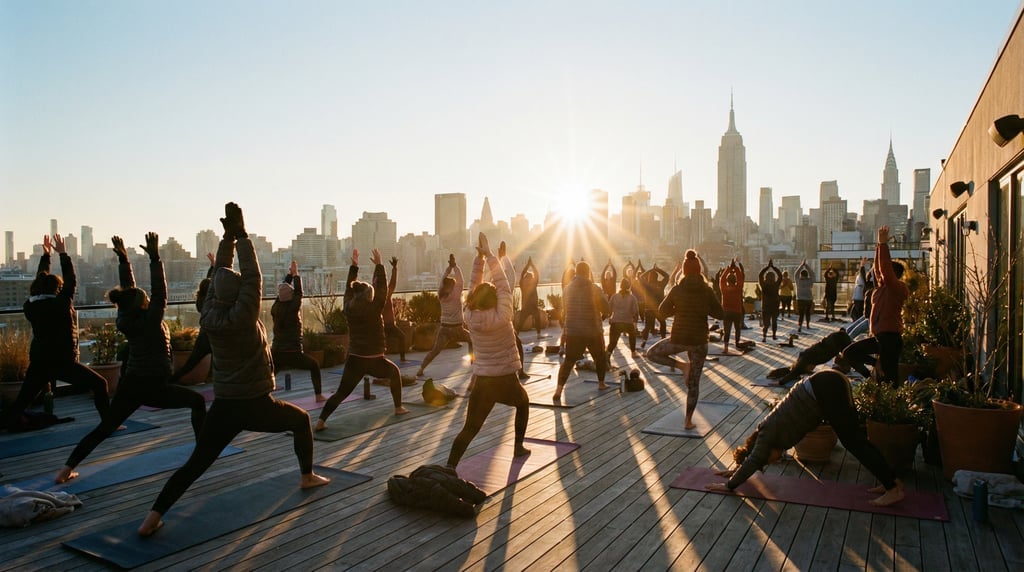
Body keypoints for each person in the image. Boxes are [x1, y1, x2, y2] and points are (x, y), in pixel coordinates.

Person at [138, 203, 329, 537]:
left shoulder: (209, 313)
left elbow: (218, 278)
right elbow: (252, 275)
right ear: (238, 293)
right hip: (255, 402)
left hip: (225, 404)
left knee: (195, 464)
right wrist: (240, 235)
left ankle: (152, 517)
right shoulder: (244, 313)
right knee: (300, 421)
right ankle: (306, 476)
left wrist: (227, 240)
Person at [56, 233, 207, 484]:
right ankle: (203, 452)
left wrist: (125, 261)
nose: (148, 297)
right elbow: (161, 292)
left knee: (104, 429)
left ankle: (66, 469)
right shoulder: (150, 319)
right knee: (198, 402)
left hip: (132, 383)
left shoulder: (126, 317)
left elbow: (129, 291)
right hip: (155, 385)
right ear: (142, 304)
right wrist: (156, 258)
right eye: (145, 298)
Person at [705, 370, 904, 507]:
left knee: (853, 442)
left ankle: (892, 488)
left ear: (761, 448)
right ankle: (892, 481)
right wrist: (736, 470)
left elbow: (755, 458)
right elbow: (753, 459)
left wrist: (729, 485)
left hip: (824, 387)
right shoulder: (771, 436)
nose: (773, 462)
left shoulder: (766, 432)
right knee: (857, 440)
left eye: (767, 461)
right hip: (827, 383)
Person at [1, 233, 111, 431]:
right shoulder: (61, 303)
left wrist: (45, 257)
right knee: (100, 384)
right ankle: (109, 424)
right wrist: (62, 253)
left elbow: (42, 279)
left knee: (21, 401)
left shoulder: (30, 305)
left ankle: (6, 423)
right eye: (60, 287)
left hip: (39, 362)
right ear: (57, 289)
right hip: (62, 362)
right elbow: (71, 280)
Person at [446, 233, 531, 467]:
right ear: (494, 298)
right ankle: (518, 447)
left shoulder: (469, 316)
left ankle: (450, 466)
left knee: (470, 428)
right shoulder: (503, 316)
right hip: (504, 379)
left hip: (483, 380)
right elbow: (503, 284)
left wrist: (479, 260)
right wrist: (490, 255)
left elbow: (474, 287)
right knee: (523, 403)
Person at [317, 248, 410, 430]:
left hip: (355, 359)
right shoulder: (373, 308)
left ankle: (320, 421)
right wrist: (379, 265)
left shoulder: (348, 307)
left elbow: (348, 289)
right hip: (375, 360)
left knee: (341, 393)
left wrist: (354, 266)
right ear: (369, 296)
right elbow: (383, 289)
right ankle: (398, 407)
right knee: (394, 373)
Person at [645, 249, 723, 430]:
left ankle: (682, 366)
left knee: (651, 354)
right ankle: (688, 420)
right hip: (699, 341)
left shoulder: (677, 289)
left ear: (684, 272)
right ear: (700, 272)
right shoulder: (706, 290)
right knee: (693, 384)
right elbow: (719, 313)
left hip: (679, 337)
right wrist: (704, 308)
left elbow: (662, 313)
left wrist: (678, 309)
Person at [839, 226, 909, 385]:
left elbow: (884, 269)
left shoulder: (896, 288)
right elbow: (879, 270)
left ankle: (893, 405)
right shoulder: (883, 287)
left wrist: (883, 245)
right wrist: (879, 245)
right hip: (880, 338)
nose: (879, 276)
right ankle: (872, 376)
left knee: (889, 381)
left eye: (888, 273)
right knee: (849, 352)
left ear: (893, 274)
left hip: (891, 339)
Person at [553, 260, 610, 400]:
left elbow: (564, 312)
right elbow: (606, 309)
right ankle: (601, 383)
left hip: (573, 331)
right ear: (588, 272)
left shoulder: (567, 289)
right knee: (599, 358)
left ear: (576, 272)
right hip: (592, 331)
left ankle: (559, 390)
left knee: (568, 361)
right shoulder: (595, 289)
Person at [271, 260, 325, 402]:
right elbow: (299, 293)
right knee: (314, 366)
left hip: (276, 352)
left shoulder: (275, 308)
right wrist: (296, 275)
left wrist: (290, 275)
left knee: (268, 375)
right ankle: (318, 395)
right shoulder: (292, 309)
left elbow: (282, 293)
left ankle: (261, 397)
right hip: (292, 353)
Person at [416, 254, 473, 378]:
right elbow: (461, 280)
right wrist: (455, 266)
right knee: (473, 340)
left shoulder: (441, 295)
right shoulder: (456, 294)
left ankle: (421, 368)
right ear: (452, 286)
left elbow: (442, 279)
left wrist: (448, 269)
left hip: (444, 329)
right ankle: (473, 362)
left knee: (435, 351)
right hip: (457, 329)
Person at [168, 253, 215, 385]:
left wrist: (212, 266)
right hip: (213, 335)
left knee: (191, 363)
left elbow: (209, 281)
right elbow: (210, 282)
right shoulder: (211, 301)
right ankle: (211, 380)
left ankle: (173, 379)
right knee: (217, 362)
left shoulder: (200, 300)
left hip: (203, 335)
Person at [383, 256, 409, 364]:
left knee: (402, 337)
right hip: (383, 326)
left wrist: (394, 269)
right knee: (380, 344)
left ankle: (402, 358)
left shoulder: (387, 295)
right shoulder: (376, 298)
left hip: (391, 325)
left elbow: (393, 283)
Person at [606, 278, 640, 361]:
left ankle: (608, 354)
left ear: (620, 286)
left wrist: (610, 317)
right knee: (632, 335)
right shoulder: (632, 298)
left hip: (615, 321)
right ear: (629, 287)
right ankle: (633, 352)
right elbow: (635, 312)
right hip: (627, 322)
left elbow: (609, 308)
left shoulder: (614, 296)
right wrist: (635, 323)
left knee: (613, 342)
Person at [638, 264, 669, 347]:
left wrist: (650, 270)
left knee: (647, 326)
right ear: (657, 277)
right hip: (659, 309)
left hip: (649, 309)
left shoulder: (646, 285)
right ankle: (663, 338)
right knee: (663, 323)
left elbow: (640, 277)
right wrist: (657, 269)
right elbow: (667, 276)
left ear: (649, 277)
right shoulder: (661, 284)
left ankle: (644, 340)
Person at [718, 260, 744, 354]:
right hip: (737, 312)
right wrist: (736, 268)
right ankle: (737, 343)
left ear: (728, 281)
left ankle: (726, 347)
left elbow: (722, 279)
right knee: (738, 329)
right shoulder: (738, 288)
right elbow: (740, 278)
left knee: (727, 330)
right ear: (735, 280)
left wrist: (728, 268)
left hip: (726, 312)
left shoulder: (724, 289)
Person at [515, 257, 543, 339]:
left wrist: (528, 265)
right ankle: (538, 335)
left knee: (521, 322)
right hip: (531, 306)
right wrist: (531, 265)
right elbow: (536, 273)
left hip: (527, 306)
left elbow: (523, 274)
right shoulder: (532, 284)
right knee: (536, 320)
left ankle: (516, 335)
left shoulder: (523, 284)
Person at [758, 260, 781, 342]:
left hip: (766, 306)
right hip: (775, 306)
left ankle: (764, 336)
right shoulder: (776, 285)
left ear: (766, 278)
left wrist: (767, 267)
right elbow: (780, 276)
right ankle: (774, 335)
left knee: (766, 323)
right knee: (774, 321)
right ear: (774, 278)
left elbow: (760, 275)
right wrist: (773, 267)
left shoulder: (764, 285)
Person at [795, 260, 815, 332]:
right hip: (808, 299)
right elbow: (812, 274)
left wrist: (801, 266)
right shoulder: (810, 280)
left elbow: (796, 274)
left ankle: (800, 326)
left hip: (800, 299)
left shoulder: (798, 281)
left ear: (801, 275)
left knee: (801, 314)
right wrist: (806, 266)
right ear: (807, 275)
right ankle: (807, 324)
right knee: (807, 313)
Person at [850, 257, 868, 321]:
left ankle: (857, 320)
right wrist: (862, 264)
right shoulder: (859, 278)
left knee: (858, 310)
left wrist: (862, 265)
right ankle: (856, 320)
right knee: (857, 310)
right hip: (858, 295)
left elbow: (862, 271)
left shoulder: (861, 277)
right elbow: (861, 271)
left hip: (859, 296)